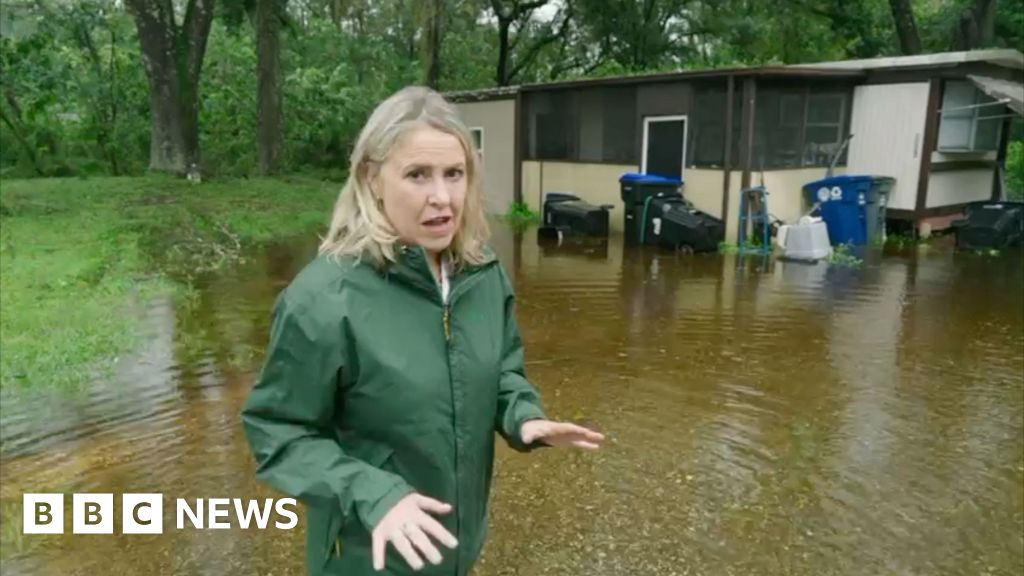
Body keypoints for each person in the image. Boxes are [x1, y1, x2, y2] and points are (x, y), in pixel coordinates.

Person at [240, 86, 604, 576]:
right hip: (365, 559)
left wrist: (521, 415)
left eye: (454, 174)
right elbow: (278, 432)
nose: (442, 197)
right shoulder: (323, 300)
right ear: (372, 179)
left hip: (455, 548)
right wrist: (374, 493)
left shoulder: (481, 275)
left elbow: (501, 371)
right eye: (417, 175)